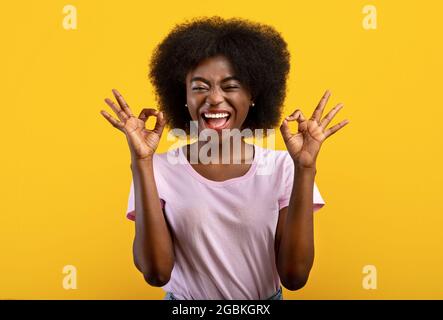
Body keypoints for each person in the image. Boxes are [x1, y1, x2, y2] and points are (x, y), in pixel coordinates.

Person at [100, 16, 349, 300]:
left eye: (230, 86)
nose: (214, 98)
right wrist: (141, 162)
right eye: (200, 87)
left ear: (253, 95)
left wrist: (305, 169)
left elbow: (295, 277)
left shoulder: (283, 169)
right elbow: (156, 273)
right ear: (183, 97)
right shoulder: (158, 170)